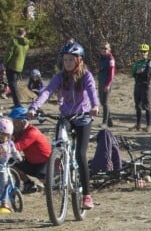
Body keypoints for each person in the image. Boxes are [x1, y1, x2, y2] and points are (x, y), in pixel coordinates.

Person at [27, 42, 99, 210]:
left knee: (81, 155)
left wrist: (95, 106)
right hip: (66, 115)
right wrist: (34, 107)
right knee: (59, 140)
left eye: (71, 60)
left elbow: (92, 91)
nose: (67, 63)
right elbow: (47, 91)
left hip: (83, 116)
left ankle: (87, 195)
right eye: (65, 60)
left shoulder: (86, 75)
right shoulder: (60, 76)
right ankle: (60, 158)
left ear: (79, 60)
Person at [8, 106, 51, 193]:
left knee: (50, 186)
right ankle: (28, 183)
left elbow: (16, 147)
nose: (12, 125)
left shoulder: (32, 132)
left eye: (15, 122)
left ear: (23, 122)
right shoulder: (19, 131)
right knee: (10, 161)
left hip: (45, 165)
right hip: (32, 163)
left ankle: (48, 184)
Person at [131, 43, 151, 132]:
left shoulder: (150, 62)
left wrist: (139, 72)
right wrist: (139, 72)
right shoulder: (137, 62)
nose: (143, 53)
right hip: (137, 85)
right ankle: (138, 125)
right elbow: (132, 73)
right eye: (141, 52)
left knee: (147, 106)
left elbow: (147, 73)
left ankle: (149, 125)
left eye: (144, 51)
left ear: (147, 52)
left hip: (146, 85)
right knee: (138, 106)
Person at [4, 27, 30, 108]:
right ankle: (17, 103)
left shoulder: (14, 41)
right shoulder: (26, 43)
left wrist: (5, 63)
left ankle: (17, 104)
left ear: (17, 33)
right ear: (24, 33)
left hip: (12, 66)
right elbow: (25, 54)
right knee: (14, 85)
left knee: (13, 85)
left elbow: (9, 53)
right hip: (20, 66)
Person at [0, 117, 21, 212]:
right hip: (1, 167)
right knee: (3, 182)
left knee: (8, 182)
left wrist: (18, 156)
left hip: (5, 166)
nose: (3, 137)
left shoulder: (10, 143)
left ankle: (4, 202)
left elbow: (14, 151)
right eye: (1, 134)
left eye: (6, 135)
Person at [97, 42, 116, 127]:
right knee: (102, 101)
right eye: (102, 48)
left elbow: (112, 73)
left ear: (109, 49)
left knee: (105, 102)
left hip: (107, 83)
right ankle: (110, 120)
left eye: (106, 48)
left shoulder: (110, 59)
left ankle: (104, 122)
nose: (104, 50)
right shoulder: (101, 58)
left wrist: (108, 84)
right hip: (101, 82)